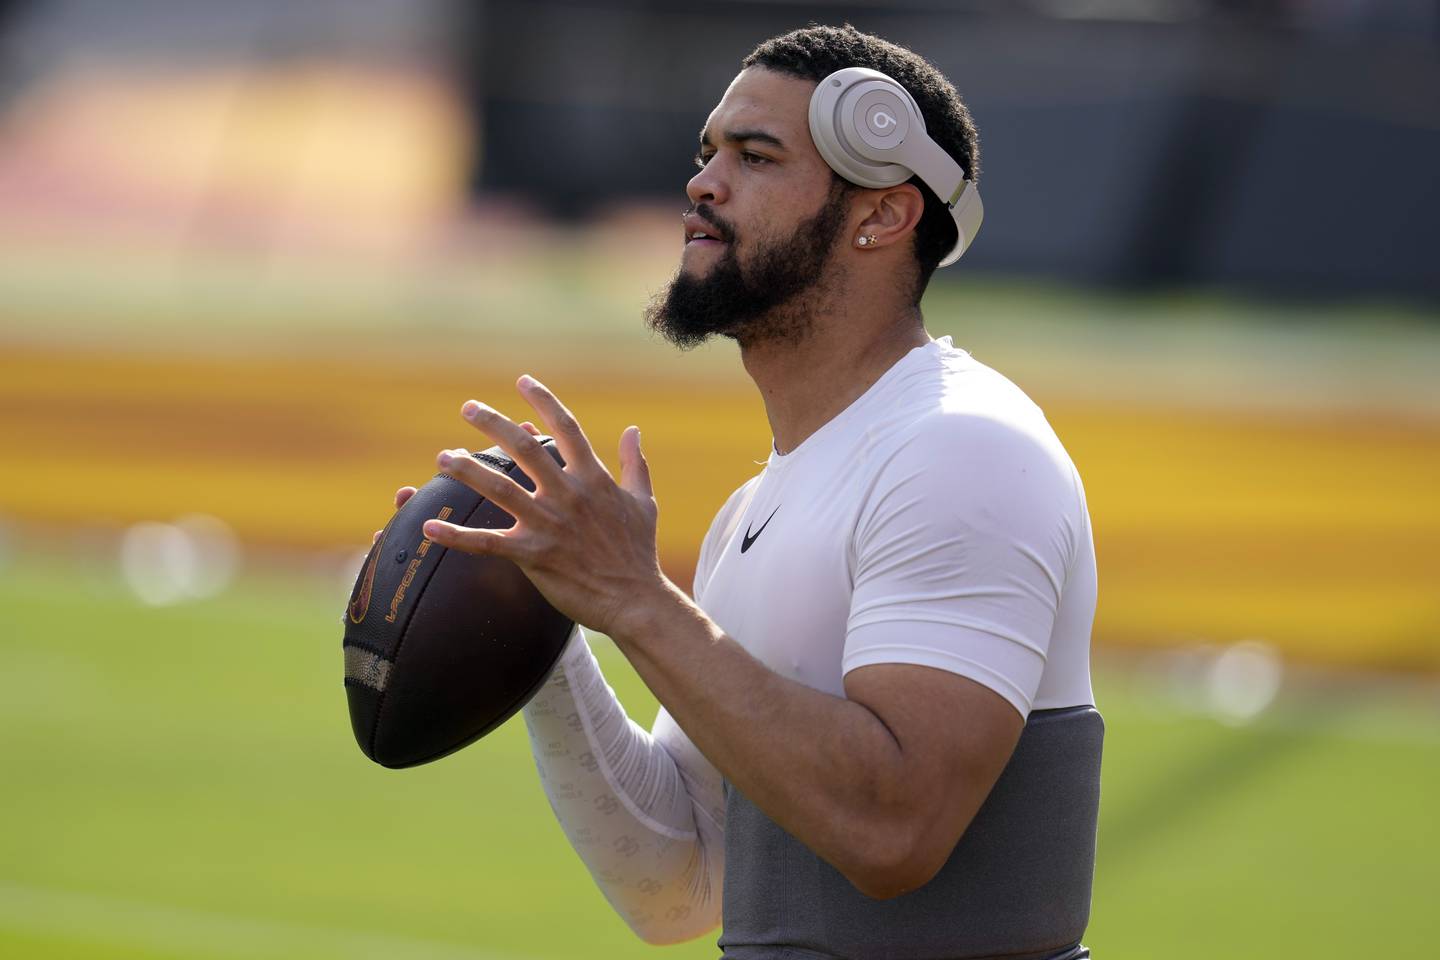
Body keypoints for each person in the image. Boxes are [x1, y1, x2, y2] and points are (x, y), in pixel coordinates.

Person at [399, 24, 1101, 960]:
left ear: (883, 216)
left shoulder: (962, 450)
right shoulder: (762, 504)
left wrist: (632, 596)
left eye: (755, 155)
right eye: (706, 152)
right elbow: (679, 887)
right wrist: (545, 605)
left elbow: (893, 833)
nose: (701, 182)